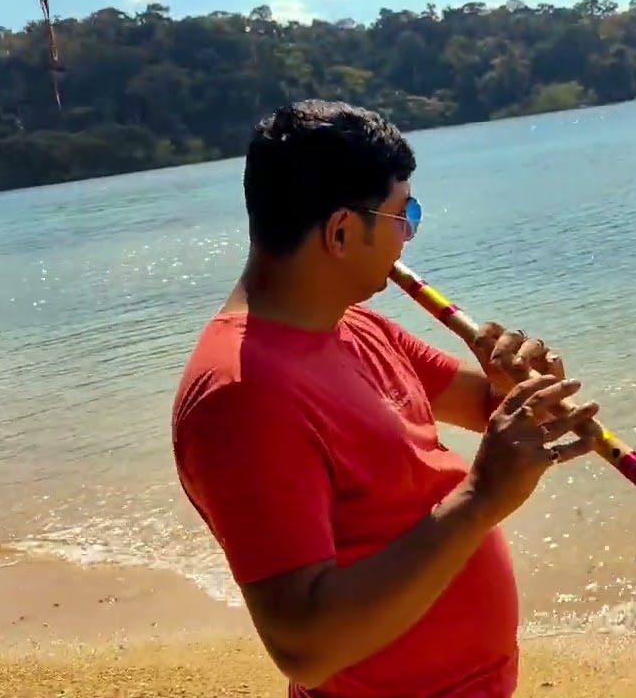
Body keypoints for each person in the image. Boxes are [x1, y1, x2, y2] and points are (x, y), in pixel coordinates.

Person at [170, 99, 601, 698]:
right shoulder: (241, 399)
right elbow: (304, 648)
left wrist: (516, 390)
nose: (408, 237)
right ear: (342, 232)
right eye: (403, 216)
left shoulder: (352, 325)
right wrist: (478, 501)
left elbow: (481, 406)